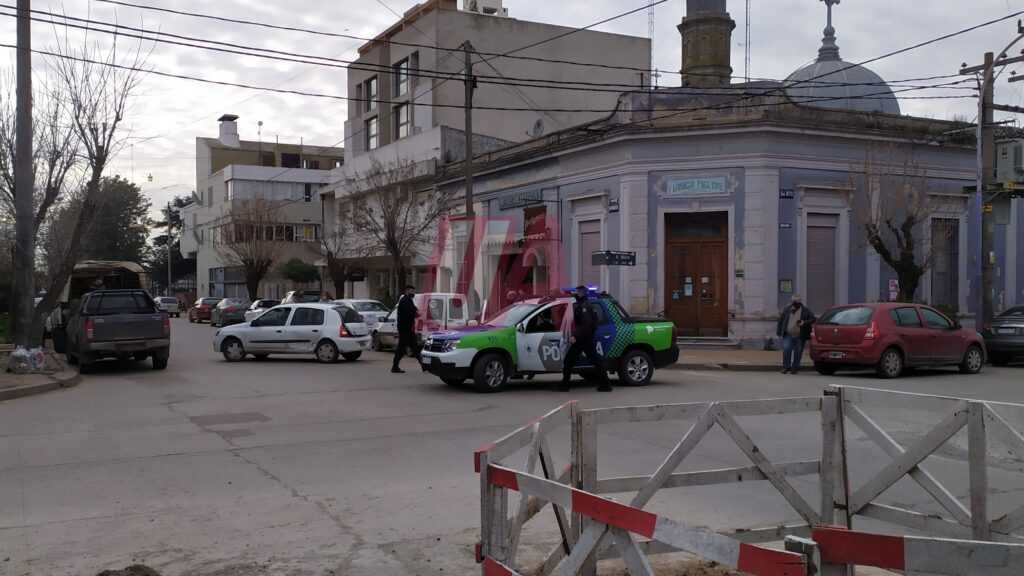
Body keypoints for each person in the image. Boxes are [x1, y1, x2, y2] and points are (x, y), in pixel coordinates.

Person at [560, 286, 612, 392]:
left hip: (583, 338)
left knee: (569, 361)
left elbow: (586, 324)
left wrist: (575, 336)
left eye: (578, 292)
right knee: (595, 360)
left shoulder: (585, 306)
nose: (576, 293)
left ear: (583, 293)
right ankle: (605, 384)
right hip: (585, 337)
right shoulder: (583, 303)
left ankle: (565, 385)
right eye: (576, 292)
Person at [776, 295, 815, 374]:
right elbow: (781, 320)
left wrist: (804, 322)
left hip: (800, 335)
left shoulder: (805, 310)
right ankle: (786, 367)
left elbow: (813, 319)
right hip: (788, 334)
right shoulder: (787, 309)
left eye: (796, 302)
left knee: (798, 351)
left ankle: (795, 367)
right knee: (787, 349)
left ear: (800, 302)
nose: (794, 304)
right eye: (793, 302)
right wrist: (779, 331)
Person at [392, 285, 419, 374]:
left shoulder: (408, 300)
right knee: (402, 349)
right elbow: (410, 312)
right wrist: (416, 313)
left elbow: (414, 310)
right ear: (407, 291)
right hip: (405, 329)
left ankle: (424, 365)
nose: (413, 293)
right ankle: (395, 367)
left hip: (408, 329)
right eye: (412, 291)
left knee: (414, 347)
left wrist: (416, 312)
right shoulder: (404, 301)